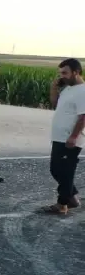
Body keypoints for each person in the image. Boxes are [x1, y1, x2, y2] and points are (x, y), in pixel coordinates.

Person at [48, 58, 85, 216]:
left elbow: (83, 116)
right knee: (56, 170)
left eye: (64, 73)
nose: (61, 76)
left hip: (70, 139)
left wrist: (74, 136)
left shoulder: (83, 91)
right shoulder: (67, 89)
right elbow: (55, 104)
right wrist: (54, 88)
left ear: (76, 72)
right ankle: (72, 197)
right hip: (59, 137)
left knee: (66, 171)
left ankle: (62, 204)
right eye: (60, 73)